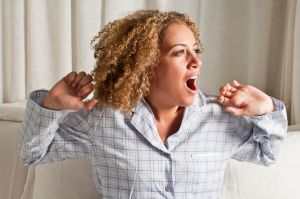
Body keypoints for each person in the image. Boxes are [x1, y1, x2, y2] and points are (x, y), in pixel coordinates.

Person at [19, 10, 287, 199]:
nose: (196, 61)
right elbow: (34, 154)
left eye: (196, 50)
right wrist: (51, 104)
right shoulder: (103, 118)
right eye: (180, 52)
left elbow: (267, 154)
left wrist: (267, 109)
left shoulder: (220, 117)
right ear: (146, 67)